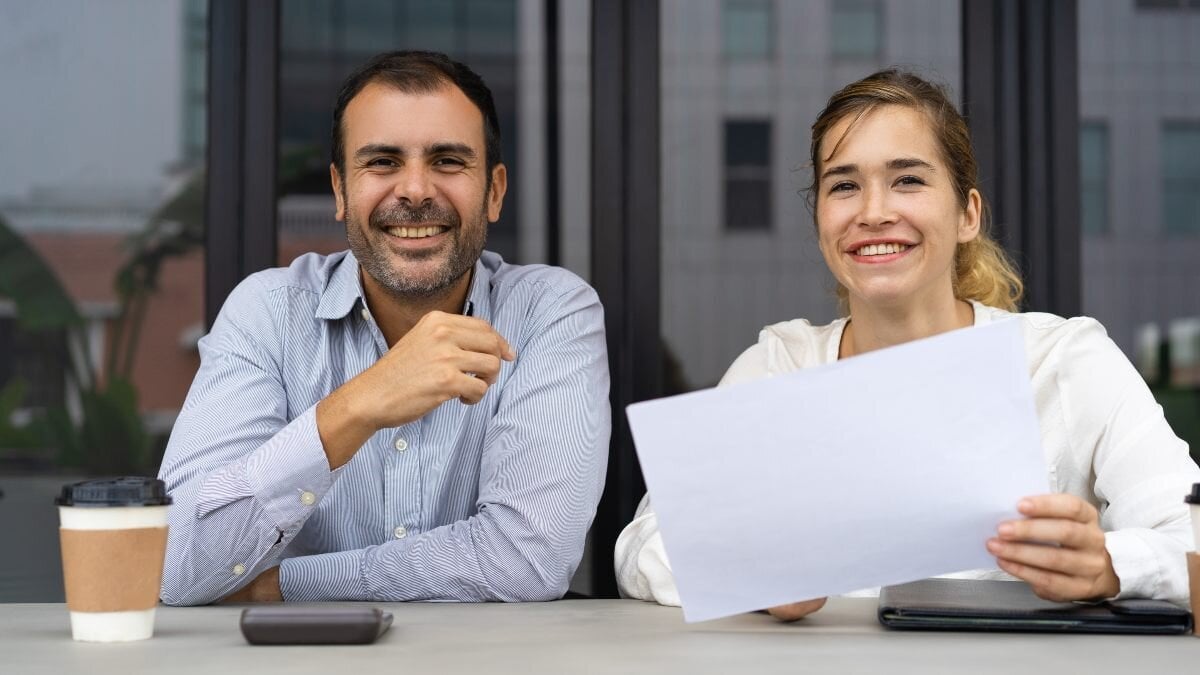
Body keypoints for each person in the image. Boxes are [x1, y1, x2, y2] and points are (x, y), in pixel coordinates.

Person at [614, 69, 1200, 620]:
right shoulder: (779, 366)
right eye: (844, 186)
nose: (873, 212)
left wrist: (1108, 565)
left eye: (908, 180)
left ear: (968, 213)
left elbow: (1189, 540)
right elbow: (642, 545)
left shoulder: (1064, 361)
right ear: (819, 220)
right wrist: (747, 567)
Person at [159, 50, 610, 605]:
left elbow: (526, 560)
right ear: (341, 191)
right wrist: (357, 406)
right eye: (382, 162)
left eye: (447, 161)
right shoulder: (267, 313)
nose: (416, 190)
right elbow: (175, 564)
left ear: (493, 191)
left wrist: (282, 584)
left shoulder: (550, 312)